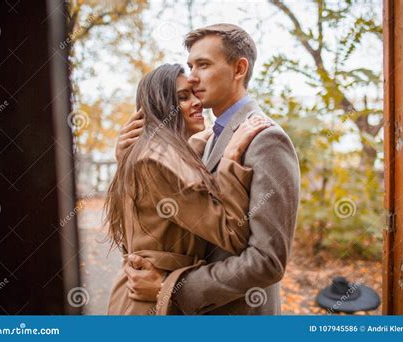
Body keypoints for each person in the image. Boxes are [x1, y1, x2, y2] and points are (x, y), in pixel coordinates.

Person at [117, 23, 300, 315]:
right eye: (190, 66)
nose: (192, 77)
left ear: (239, 69)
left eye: (203, 65)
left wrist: (171, 288)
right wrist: (128, 157)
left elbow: (267, 261)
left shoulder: (265, 139)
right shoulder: (207, 137)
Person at [105, 63, 271, 315]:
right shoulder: (156, 163)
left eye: (195, 94)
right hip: (149, 305)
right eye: (183, 97)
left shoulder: (149, 154)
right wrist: (231, 158)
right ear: (161, 107)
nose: (197, 103)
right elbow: (232, 234)